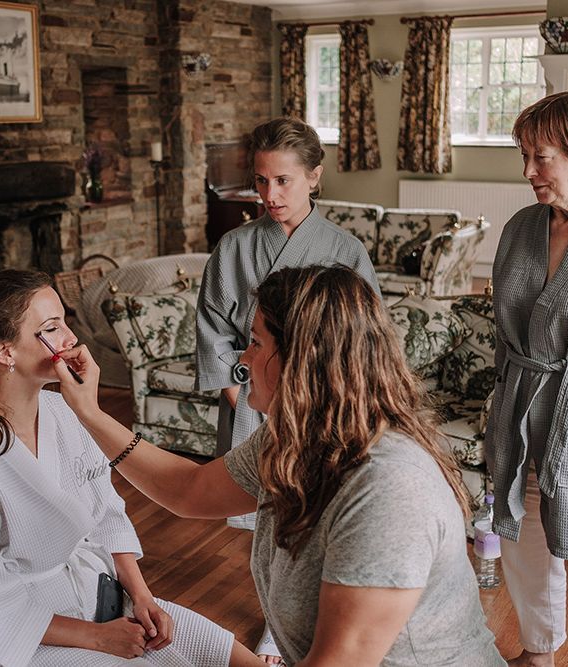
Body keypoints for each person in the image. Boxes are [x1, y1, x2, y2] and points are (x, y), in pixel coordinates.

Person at [55, 264, 505, 667]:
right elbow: (190, 490)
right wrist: (90, 414)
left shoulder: (389, 489)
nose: (243, 358)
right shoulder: (294, 438)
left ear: (303, 360)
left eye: (254, 342)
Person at [0, 269, 261, 667]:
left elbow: (107, 515)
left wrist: (142, 597)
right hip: (32, 631)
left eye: (65, 322)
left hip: (102, 593)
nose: (71, 339)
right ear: (5, 352)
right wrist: (98, 637)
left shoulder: (64, 412)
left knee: (227, 656)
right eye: (52, 328)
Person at [195, 117, 380, 526]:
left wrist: (310, 406)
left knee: (319, 521)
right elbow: (213, 331)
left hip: (324, 412)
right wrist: (242, 395)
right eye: (260, 181)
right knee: (259, 524)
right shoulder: (233, 247)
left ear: (314, 177)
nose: (269, 195)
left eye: (283, 180)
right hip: (248, 400)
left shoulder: (347, 252)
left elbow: (366, 345)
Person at [485, 91, 568, 667]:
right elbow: (503, 327)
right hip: (521, 401)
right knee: (525, 534)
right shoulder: (521, 227)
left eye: (542, 157)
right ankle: (539, 651)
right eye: (525, 156)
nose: (528, 172)